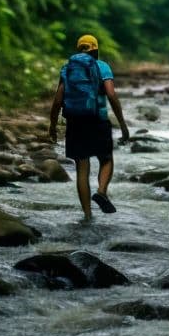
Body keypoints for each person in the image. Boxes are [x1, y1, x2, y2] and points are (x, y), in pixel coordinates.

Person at [49, 34, 131, 220]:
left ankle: (87, 216)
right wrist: (123, 124)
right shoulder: (102, 66)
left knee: (82, 169)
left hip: (75, 122)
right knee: (106, 159)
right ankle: (101, 192)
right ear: (96, 49)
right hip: (98, 120)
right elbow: (111, 95)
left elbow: (58, 100)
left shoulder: (68, 68)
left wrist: (52, 126)